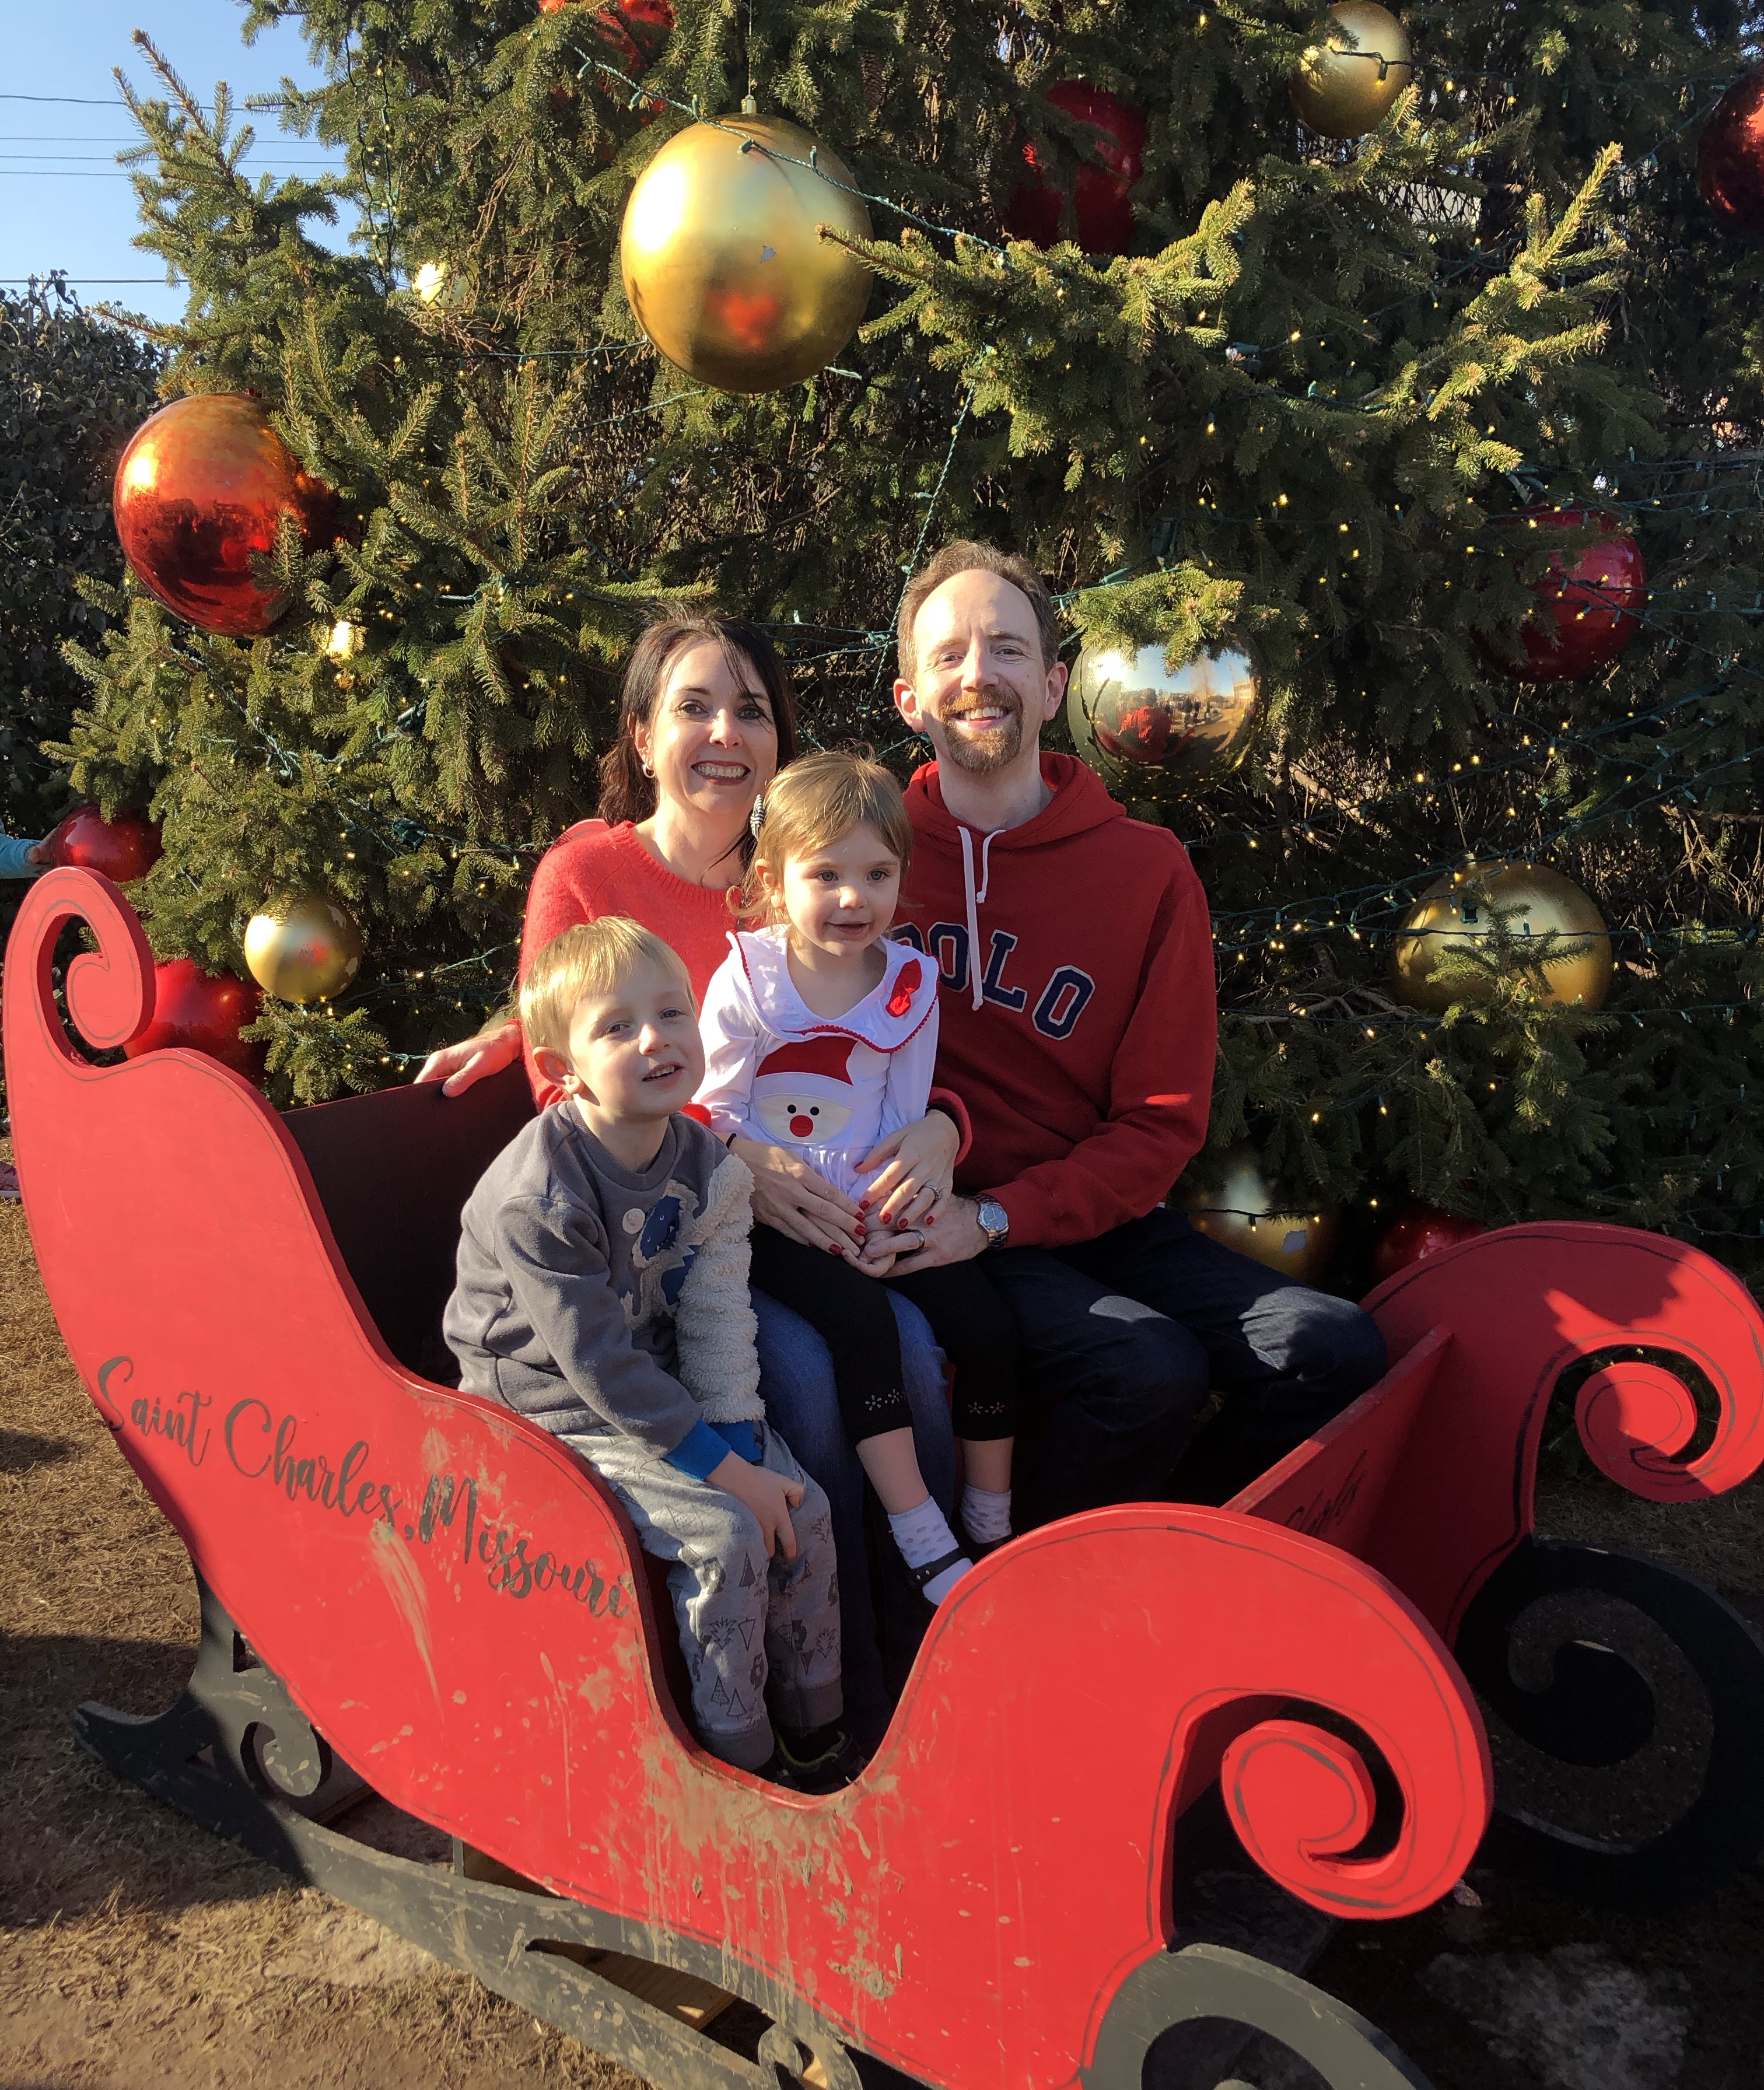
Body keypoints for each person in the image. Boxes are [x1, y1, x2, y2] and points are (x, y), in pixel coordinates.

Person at [416, 611, 958, 1739]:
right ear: (642, 735)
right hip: (673, 1232)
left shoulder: (807, 868)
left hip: (804, 1214)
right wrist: (738, 1162)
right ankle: (846, 1699)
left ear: (778, 740)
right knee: (801, 1379)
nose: (724, 733)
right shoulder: (590, 872)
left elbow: (882, 1036)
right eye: (693, 708)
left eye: (750, 711)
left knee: (914, 1345)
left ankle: (934, 1650)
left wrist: (944, 1126)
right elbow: (567, 1068)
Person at [877, 540, 1387, 1518]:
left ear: (1055, 684)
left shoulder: (1147, 872)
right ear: (911, 698)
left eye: (1008, 649)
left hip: (1087, 1220)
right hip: (937, 1222)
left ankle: (1182, 1552)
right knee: (1149, 1369)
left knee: (1333, 1348)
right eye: (949, 654)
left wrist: (1001, 1217)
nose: (979, 674)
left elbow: (1159, 1122)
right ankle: (1025, 1589)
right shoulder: (867, 859)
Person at [443, 915, 846, 1783]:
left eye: (671, 1013)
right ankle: (738, 1763)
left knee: (801, 1508)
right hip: (547, 1401)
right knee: (725, 1537)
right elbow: (596, 1365)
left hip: (651, 1373)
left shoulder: (705, 1163)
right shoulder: (540, 1199)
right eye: (617, 1027)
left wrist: (736, 1439)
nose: (656, 1039)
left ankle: (817, 1734)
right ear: (562, 1069)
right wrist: (721, 1475)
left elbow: (715, 1307)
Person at [699, 750, 1019, 1604]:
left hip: (872, 1203)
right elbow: (714, 1112)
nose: (854, 899)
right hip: (778, 1215)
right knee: (863, 1328)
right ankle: (922, 1533)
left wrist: (900, 1209)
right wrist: (768, 1184)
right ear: (773, 881)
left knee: (987, 1324)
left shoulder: (908, 984)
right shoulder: (750, 978)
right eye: (827, 875)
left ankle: (992, 1520)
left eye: (877, 874)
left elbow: (906, 1117)